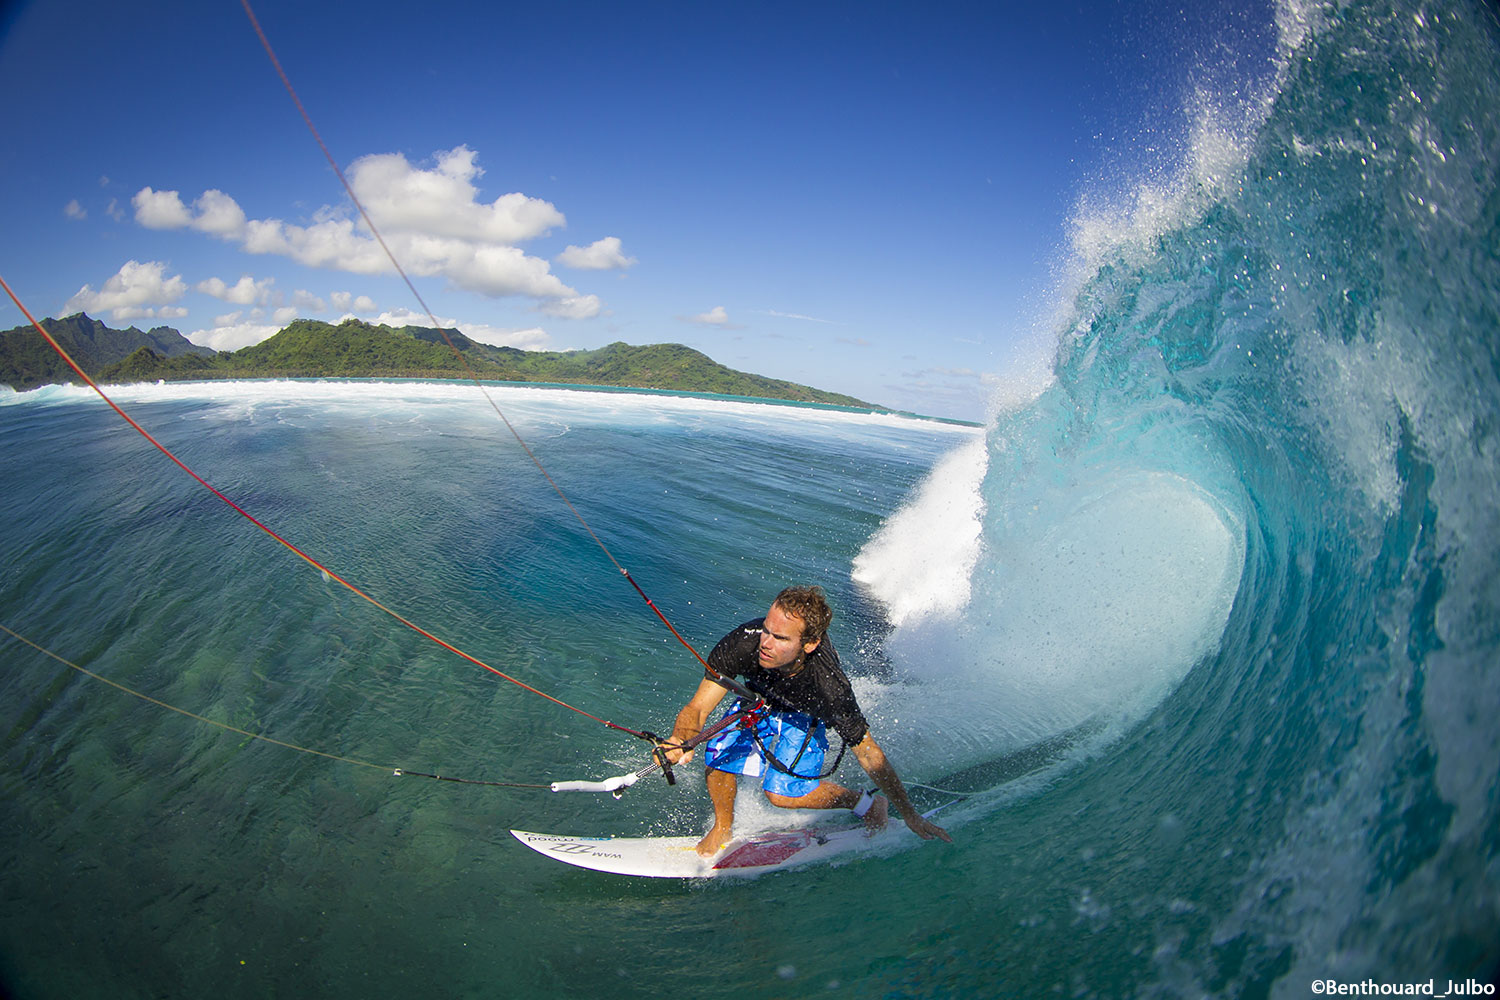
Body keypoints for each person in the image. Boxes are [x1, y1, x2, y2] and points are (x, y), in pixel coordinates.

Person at [660, 585, 952, 857]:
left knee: (781, 794)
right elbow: (698, 708)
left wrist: (910, 814)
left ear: (810, 644)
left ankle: (867, 805)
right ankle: (723, 826)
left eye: (781, 638)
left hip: (804, 711)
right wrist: (680, 738)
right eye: (766, 630)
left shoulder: (830, 688)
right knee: (721, 753)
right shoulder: (744, 643)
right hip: (759, 697)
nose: (766, 643)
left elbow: (868, 753)